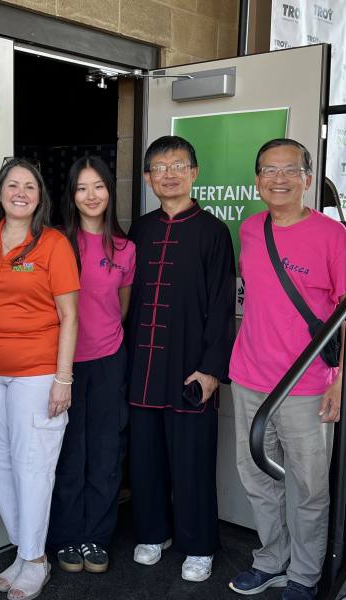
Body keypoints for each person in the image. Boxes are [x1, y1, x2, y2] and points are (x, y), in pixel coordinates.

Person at [227, 138, 346, 600]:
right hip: (248, 377)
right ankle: (271, 560)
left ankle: (304, 575)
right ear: (257, 180)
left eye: (290, 170)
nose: (279, 179)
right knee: (257, 479)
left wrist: (341, 382)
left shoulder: (332, 236)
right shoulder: (250, 229)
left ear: (308, 178)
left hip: (306, 385)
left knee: (307, 487)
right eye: (269, 170)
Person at [0, 158, 79, 600]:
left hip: (37, 371)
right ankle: (25, 549)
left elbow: (69, 316)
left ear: (39, 197)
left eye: (29, 186)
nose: (20, 192)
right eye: (12, 184)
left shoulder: (53, 245)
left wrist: (63, 379)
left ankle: (34, 559)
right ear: (0, 192)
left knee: (33, 464)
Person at [126, 135, 236, 582]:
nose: (168, 174)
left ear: (194, 172)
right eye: (159, 167)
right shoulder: (140, 228)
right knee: (145, 457)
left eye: (178, 165)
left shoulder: (213, 231)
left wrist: (211, 368)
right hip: (142, 366)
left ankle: (198, 544)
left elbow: (222, 303)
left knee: (193, 459)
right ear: (149, 177)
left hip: (191, 367)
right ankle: (153, 532)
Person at [47, 156, 135, 574]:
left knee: (104, 452)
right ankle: (66, 537)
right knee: (67, 453)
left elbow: (120, 309)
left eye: (98, 186)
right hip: (60, 364)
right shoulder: (55, 242)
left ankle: (96, 538)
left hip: (108, 361)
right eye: (82, 188)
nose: (91, 195)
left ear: (109, 191)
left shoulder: (125, 248)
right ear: (71, 195)